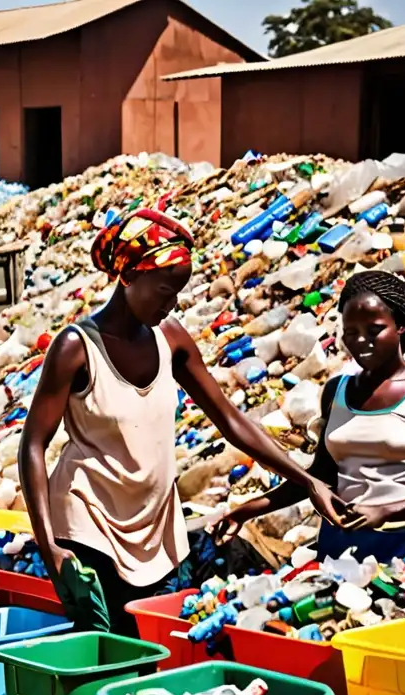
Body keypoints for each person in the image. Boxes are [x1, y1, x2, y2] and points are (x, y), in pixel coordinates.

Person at [18, 208, 341, 637]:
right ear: (129, 276)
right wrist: (50, 545)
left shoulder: (170, 339)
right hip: (89, 521)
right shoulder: (76, 348)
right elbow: (33, 445)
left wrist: (306, 480)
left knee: (162, 647)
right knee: (108, 649)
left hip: (157, 527)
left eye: (178, 293)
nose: (173, 304)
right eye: (165, 290)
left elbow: (230, 420)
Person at [211, 270, 405, 578]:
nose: (360, 342)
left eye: (374, 330)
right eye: (351, 333)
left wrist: (387, 510)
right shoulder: (336, 392)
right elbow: (323, 476)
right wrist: (249, 508)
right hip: (347, 541)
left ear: (401, 326)